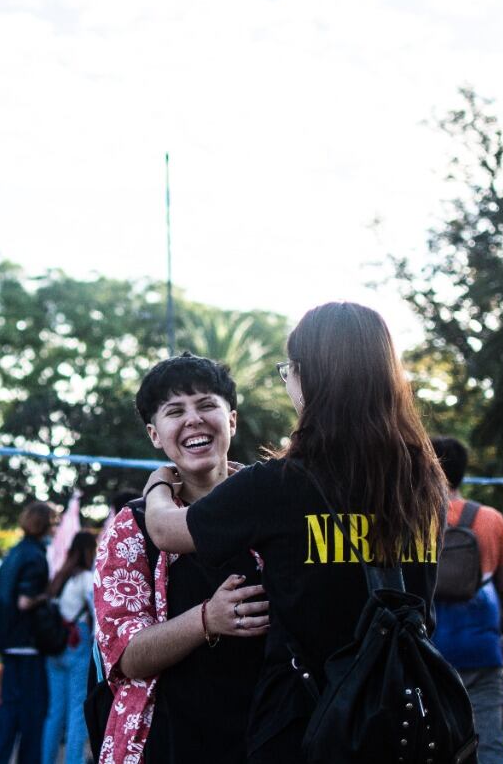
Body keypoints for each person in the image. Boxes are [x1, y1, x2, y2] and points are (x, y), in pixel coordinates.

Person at [142, 301, 447, 764]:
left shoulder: (281, 483)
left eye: (290, 370)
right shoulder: (424, 481)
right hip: (401, 720)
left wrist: (160, 483)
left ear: (311, 378)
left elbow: (167, 531)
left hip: (306, 727)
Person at [93, 353, 267, 764]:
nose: (193, 420)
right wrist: (208, 618)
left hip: (269, 736)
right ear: (155, 435)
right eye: (175, 411)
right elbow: (127, 656)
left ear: (233, 421)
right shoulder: (130, 528)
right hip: (167, 741)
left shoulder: (275, 507)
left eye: (207, 405)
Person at [429, 436, 503, 764]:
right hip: (481, 649)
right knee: (489, 746)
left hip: (428, 651)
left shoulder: (411, 515)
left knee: (428, 745)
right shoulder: (491, 519)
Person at [0, 502, 54, 764]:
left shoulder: (14, 553)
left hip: (8, 640)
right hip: (27, 643)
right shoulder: (35, 556)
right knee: (32, 713)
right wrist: (46, 596)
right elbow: (25, 601)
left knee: (8, 710)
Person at [41, 531, 96, 764]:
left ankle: (47, 759)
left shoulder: (59, 577)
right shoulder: (86, 578)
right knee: (77, 711)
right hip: (77, 643)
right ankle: (74, 760)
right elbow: (97, 613)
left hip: (54, 646)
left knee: (54, 712)